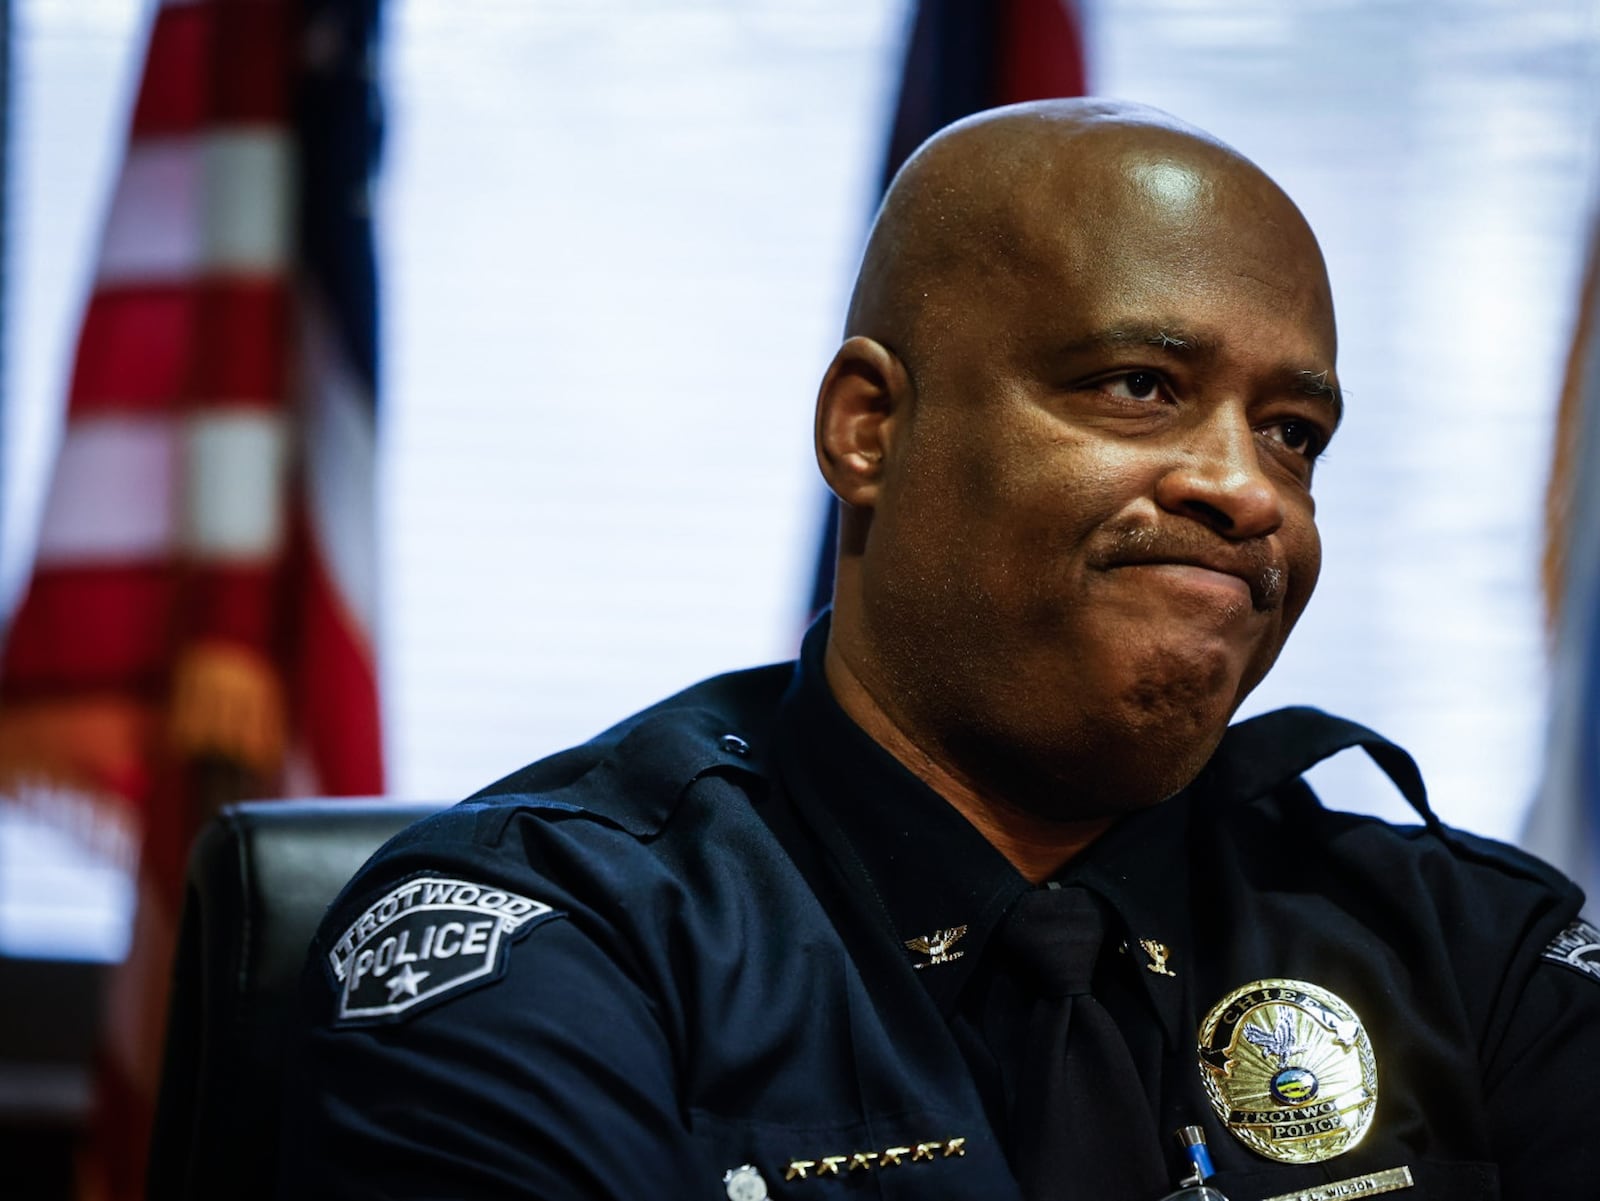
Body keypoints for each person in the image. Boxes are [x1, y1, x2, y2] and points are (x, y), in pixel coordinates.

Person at [277, 100, 1600, 1201]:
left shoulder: (1468, 948)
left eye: (1295, 432)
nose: (1247, 489)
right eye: (1140, 385)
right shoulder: (556, 946)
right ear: (869, 429)